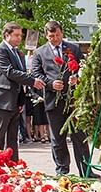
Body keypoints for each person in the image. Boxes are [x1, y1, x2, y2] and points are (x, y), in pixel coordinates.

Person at [30, 21, 93, 176]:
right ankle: (62, 170)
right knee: (58, 138)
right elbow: (36, 74)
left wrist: (77, 78)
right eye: (51, 36)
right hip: (53, 100)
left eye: (57, 35)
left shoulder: (74, 48)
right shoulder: (39, 53)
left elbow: (84, 68)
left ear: (62, 33)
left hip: (73, 100)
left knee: (80, 136)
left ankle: (86, 170)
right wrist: (51, 84)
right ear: (46, 36)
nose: (55, 38)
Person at [0, 22, 44, 161]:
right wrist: (32, 80)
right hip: (1, 100)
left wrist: (21, 100)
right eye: (16, 35)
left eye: (21, 35)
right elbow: (10, 72)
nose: (20, 38)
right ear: (7, 35)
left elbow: (20, 76)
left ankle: (13, 167)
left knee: (13, 138)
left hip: (14, 101)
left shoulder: (18, 53)